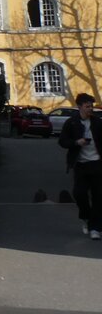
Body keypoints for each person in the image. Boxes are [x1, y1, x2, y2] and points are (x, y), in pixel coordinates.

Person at [58, 92, 102, 240]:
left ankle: (95, 228)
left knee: (98, 197)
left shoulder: (97, 122)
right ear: (79, 107)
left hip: (97, 164)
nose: (90, 109)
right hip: (80, 165)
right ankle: (86, 217)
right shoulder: (72, 123)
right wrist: (76, 142)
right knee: (79, 194)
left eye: (91, 106)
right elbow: (62, 141)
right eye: (87, 106)